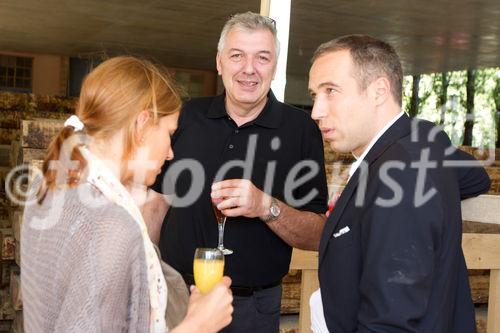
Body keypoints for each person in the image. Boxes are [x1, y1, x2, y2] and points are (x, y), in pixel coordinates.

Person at [144, 12, 328, 332]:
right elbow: (156, 204)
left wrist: (264, 206)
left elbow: (316, 234)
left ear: (274, 65)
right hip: (176, 295)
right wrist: (147, 274)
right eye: (237, 55)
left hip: (254, 309)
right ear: (219, 62)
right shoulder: (185, 117)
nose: (248, 69)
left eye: (262, 57)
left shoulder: (301, 131)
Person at [21, 56, 233, 333]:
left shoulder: (50, 187)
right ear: (142, 125)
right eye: (170, 133)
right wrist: (198, 326)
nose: (170, 152)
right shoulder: (110, 225)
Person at [308, 35, 491, 332]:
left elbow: (391, 321)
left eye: (331, 91)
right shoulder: (416, 148)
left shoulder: (402, 173)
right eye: (315, 94)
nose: (316, 111)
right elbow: (471, 177)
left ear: (379, 90)